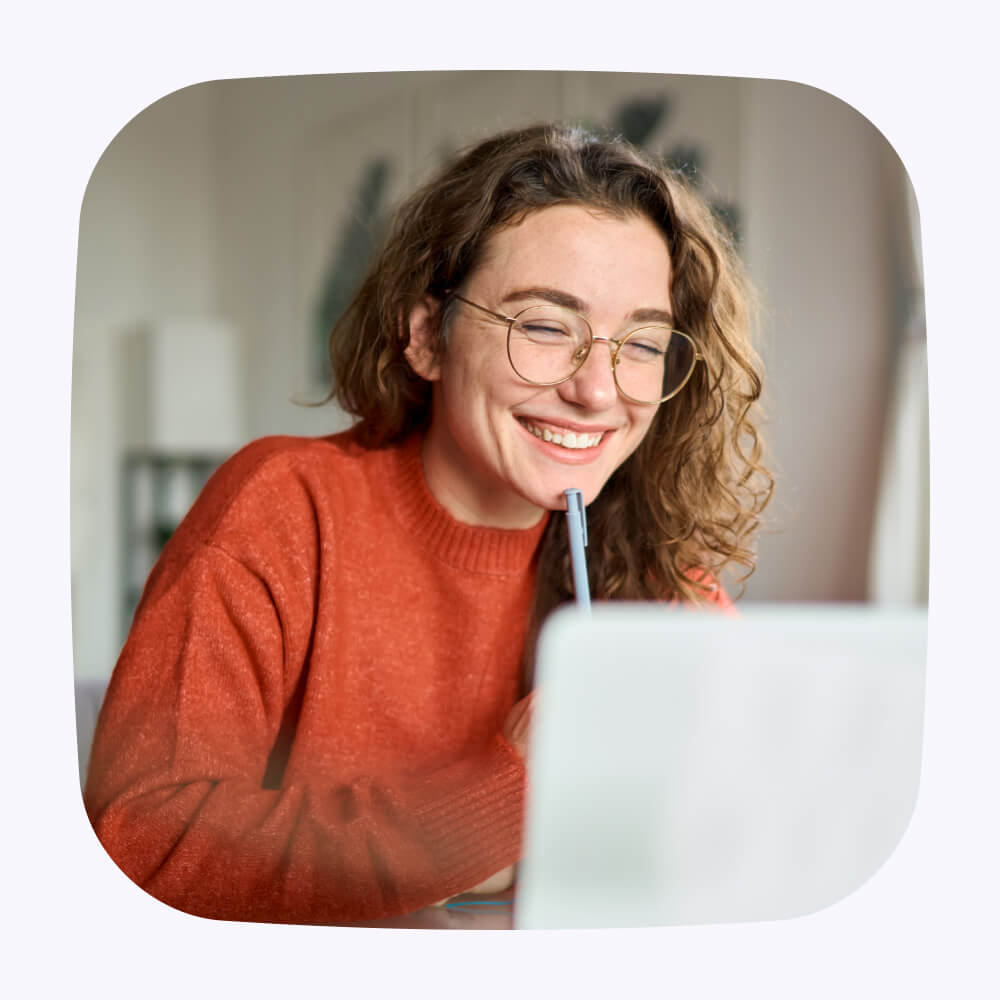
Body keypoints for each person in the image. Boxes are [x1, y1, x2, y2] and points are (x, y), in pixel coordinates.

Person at [84, 123, 773, 925]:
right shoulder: (282, 508)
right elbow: (141, 845)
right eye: (546, 327)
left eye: (643, 344)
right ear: (425, 337)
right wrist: (506, 789)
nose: (598, 390)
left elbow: (750, 839)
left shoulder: (655, 570)